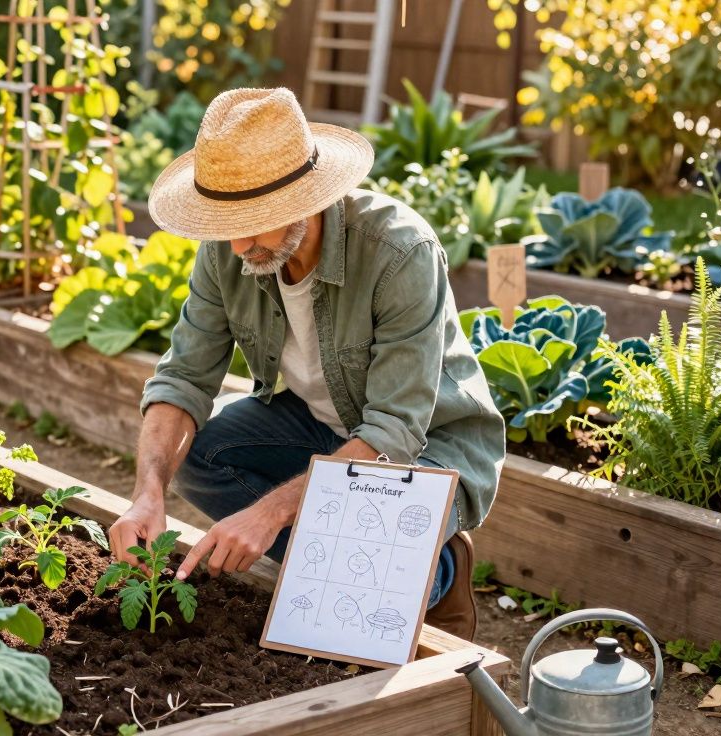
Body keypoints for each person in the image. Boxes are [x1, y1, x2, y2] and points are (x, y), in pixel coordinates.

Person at [107, 87, 506, 639]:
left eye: (256, 219)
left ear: (308, 195)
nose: (241, 243)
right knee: (197, 456)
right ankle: (336, 561)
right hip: (316, 425)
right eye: (228, 222)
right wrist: (147, 493)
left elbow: (394, 431)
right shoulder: (228, 249)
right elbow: (182, 378)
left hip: (424, 448)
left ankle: (438, 568)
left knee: (359, 591)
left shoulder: (400, 252)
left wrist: (268, 514)